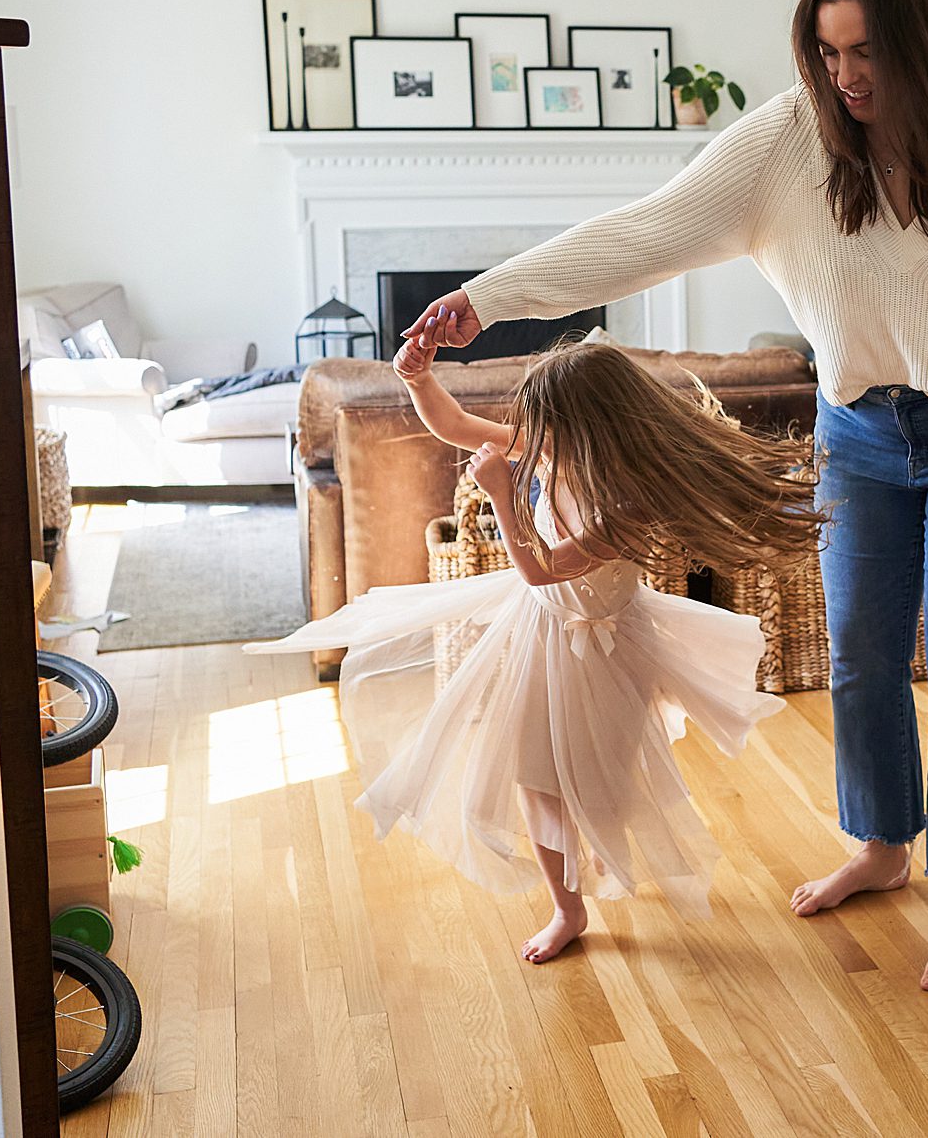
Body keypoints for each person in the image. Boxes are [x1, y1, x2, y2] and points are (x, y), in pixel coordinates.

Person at [400, 0, 928, 991]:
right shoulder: (786, 140)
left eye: (866, 50)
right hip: (860, 437)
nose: (847, 77)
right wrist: (489, 297)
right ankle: (881, 845)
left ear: (918, 40)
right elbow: (644, 231)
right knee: (861, 653)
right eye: (826, 55)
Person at [248, 329, 821, 962]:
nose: (531, 437)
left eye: (546, 424)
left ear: (589, 426)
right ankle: (566, 908)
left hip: (608, 651)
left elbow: (544, 566)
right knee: (533, 775)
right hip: (540, 633)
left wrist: (500, 495)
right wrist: (417, 379)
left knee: (599, 781)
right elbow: (459, 424)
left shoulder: (626, 499)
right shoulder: (551, 451)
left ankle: (599, 857)